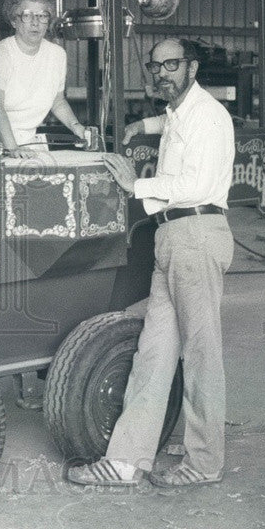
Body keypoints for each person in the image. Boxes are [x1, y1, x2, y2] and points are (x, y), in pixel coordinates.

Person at [69, 37, 235, 488]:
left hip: (197, 235)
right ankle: (125, 461)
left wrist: (134, 184)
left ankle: (204, 465)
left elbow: (196, 183)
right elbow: (169, 123)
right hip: (172, 238)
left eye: (172, 64)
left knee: (201, 357)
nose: (162, 72)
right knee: (153, 354)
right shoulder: (182, 114)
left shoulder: (209, 117)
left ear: (192, 67)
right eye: (155, 65)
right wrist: (139, 124)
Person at [0, 0, 88, 156]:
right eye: (27, 16)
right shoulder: (1, 54)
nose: (35, 23)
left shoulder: (57, 54)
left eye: (42, 16)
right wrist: (13, 148)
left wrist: (77, 127)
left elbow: (58, 101)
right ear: (14, 21)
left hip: (29, 143)